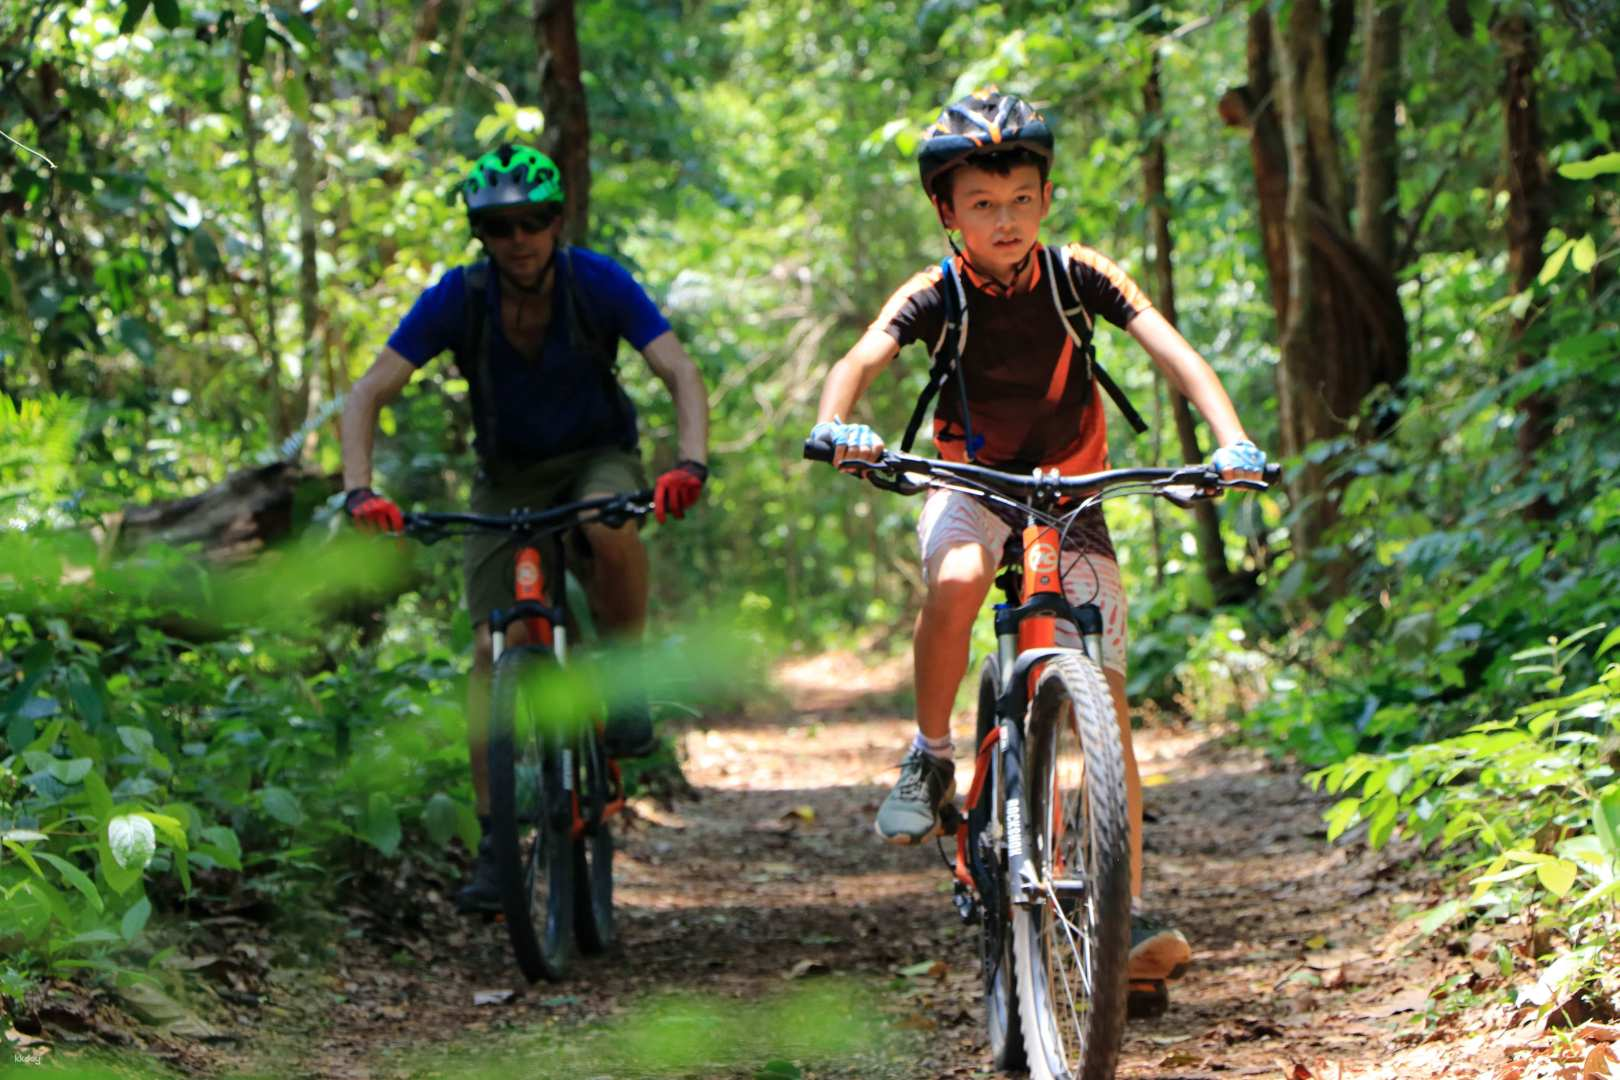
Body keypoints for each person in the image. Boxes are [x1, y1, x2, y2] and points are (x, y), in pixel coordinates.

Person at [808, 89, 1265, 1013]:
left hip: (1073, 493)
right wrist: (836, 423)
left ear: (1046, 200)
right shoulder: (936, 292)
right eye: (982, 202)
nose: (1004, 218)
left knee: (1109, 702)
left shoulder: (1079, 275)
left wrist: (1231, 439)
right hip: (972, 485)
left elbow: (1173, 351)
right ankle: (932, 753)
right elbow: (860, 360)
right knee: (964, 575)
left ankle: (1121, 914)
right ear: (948, 212)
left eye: (1021, 197)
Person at [339, 143, 709, 913]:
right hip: (505, 477)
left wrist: (689, 463)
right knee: (486, 650)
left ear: (556, 221)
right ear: (481, 234)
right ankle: (492, 842)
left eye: (534, 222)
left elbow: (677, 369)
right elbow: (369, 392)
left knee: (611, 530)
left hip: (594, 459)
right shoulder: (458, 298)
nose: (520, 239)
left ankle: (625, 678)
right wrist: (358, 491)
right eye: (501, 226)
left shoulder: (597, 281)